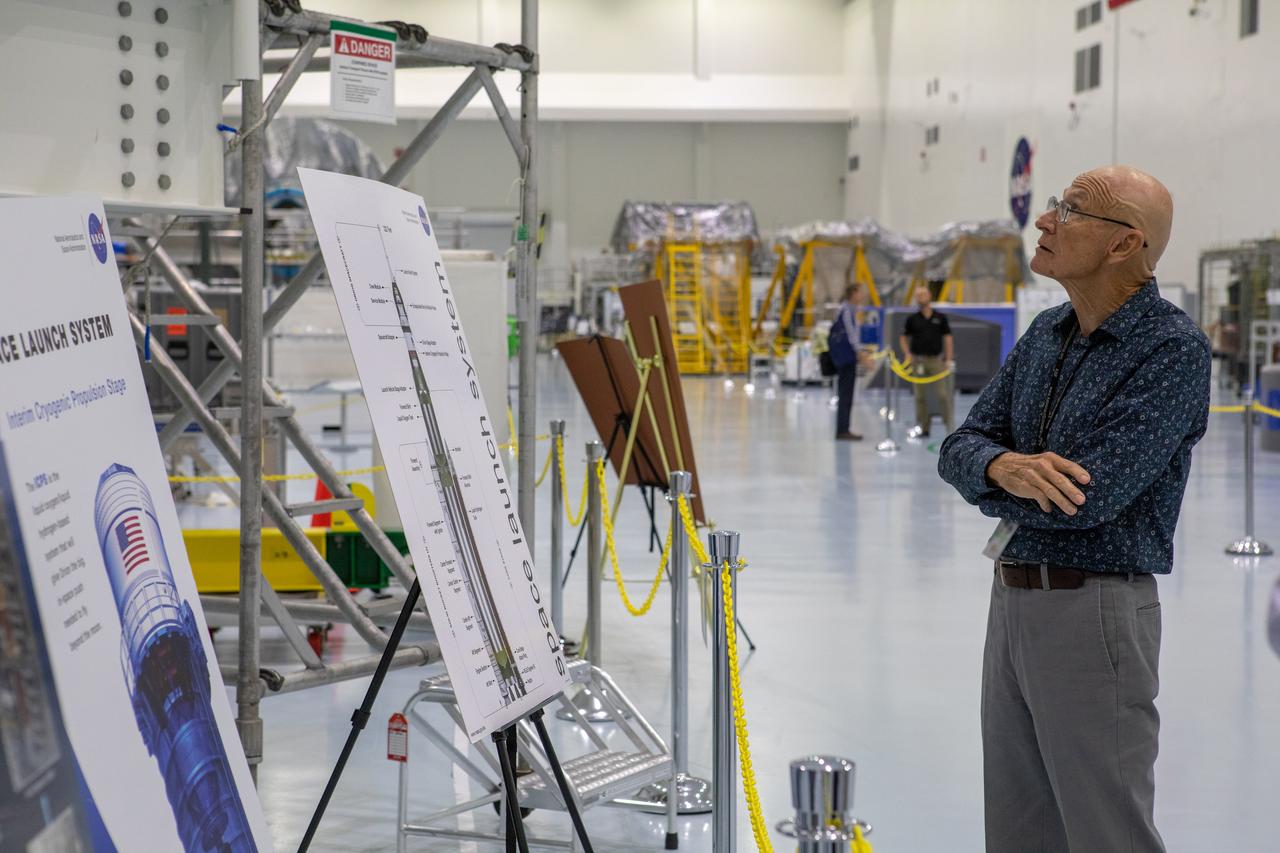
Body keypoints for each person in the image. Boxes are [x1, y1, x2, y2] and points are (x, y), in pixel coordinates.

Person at [938, 166, 1210, 853]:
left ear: (1124, 246)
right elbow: (960, 445)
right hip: (1012, 607)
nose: (1046, 220)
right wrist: (1005, 466)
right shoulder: (1047, 335)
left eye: (1071, 209)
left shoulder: (1170, 349)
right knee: (1017, 829)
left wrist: (997, 474)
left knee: (1106, 831)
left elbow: (1088, 495)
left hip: (1094, 615)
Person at [899, 285, 955, 436]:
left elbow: (948, 338)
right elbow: (903, 337)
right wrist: (907, 354)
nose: (920, 297)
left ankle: (949, 427)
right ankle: (924, 426)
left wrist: (948, 358)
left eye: (923, 294)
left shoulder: (940, 318)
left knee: (942, 394)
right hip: (918, 361)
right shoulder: (912, 319)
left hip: (936, 361)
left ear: (929, 296)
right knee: (920, 396)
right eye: (918, 295)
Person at [829, 283, 865, 441]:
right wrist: (861, 353)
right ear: (853, 294)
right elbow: (851, 334)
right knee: (845, 394)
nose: (861, 296)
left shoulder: (849, 310)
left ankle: (844, 428)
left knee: (847, 394)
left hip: (848, 358)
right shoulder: (846, 310)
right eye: (859, 293)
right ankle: (842, 430)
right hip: (846, 358)